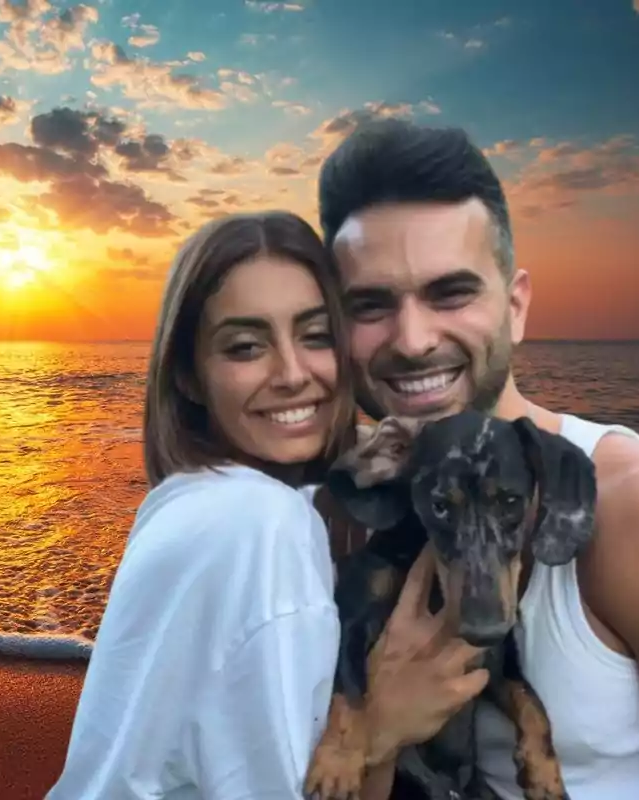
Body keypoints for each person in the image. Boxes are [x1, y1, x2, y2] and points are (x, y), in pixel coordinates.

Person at [316, 117, 639, 800]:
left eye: (450, 292)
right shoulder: (352, 505)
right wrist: (375, 732)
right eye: (370, 304)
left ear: (515, 307)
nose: (414, 338)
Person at [45, 210, 487, 799]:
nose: (292, 374)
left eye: (316, 336)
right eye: (247, 346)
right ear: (189, 377)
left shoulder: (186, 501)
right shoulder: (263, 527)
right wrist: (379, 729)